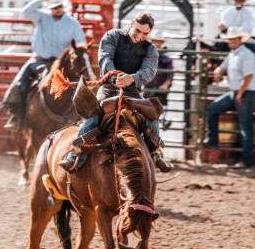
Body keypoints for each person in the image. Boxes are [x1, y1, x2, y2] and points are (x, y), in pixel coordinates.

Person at [58, 11, 173, 173]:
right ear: (132, 23)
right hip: (108, 90)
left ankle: (154, 154)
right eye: (137, 31)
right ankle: (75, 155)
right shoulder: (112, 36)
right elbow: (105, 59)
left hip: (132, 92)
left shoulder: (150, 49)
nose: (140, 36)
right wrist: (117, 77)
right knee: (94, 115)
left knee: (152, 115)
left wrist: (131, 78)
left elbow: (149, 70)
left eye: (145, 33)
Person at [1, 0, 86, 131]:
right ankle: (17, 115)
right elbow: (26, 11)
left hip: (60, 62)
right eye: (54, 7)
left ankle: (81, 121)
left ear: (63, 7)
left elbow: (81, 44)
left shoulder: (72, 24)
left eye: (59, 7)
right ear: (50, 9)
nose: (57, 10)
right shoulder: (42, 17)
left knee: (78, 86)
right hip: (39, 59)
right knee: (21, 82)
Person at [204, 26, 255, 169]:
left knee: (245, 126)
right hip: (237, 92)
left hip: (244, 93)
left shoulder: (246, 54)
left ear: (240, 40)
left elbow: (249, 76)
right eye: (230, 39)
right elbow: (224, 66)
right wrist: (218, 71)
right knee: (212, 109)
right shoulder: (233, 54)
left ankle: (246, 160)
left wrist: (239, 93)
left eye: (234, 39)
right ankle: (213, 140)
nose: (231, 41)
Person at [144, 29, 173, 130]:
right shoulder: (145, 56)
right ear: (152, 41)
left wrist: (165, 84)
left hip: (159, 88)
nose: (158, 44)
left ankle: (163, 120)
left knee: (161, 101)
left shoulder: (166, 59)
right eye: (156, 41)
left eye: (159, 42)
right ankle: (161, 121)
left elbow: (170, 75)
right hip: (148, 88)